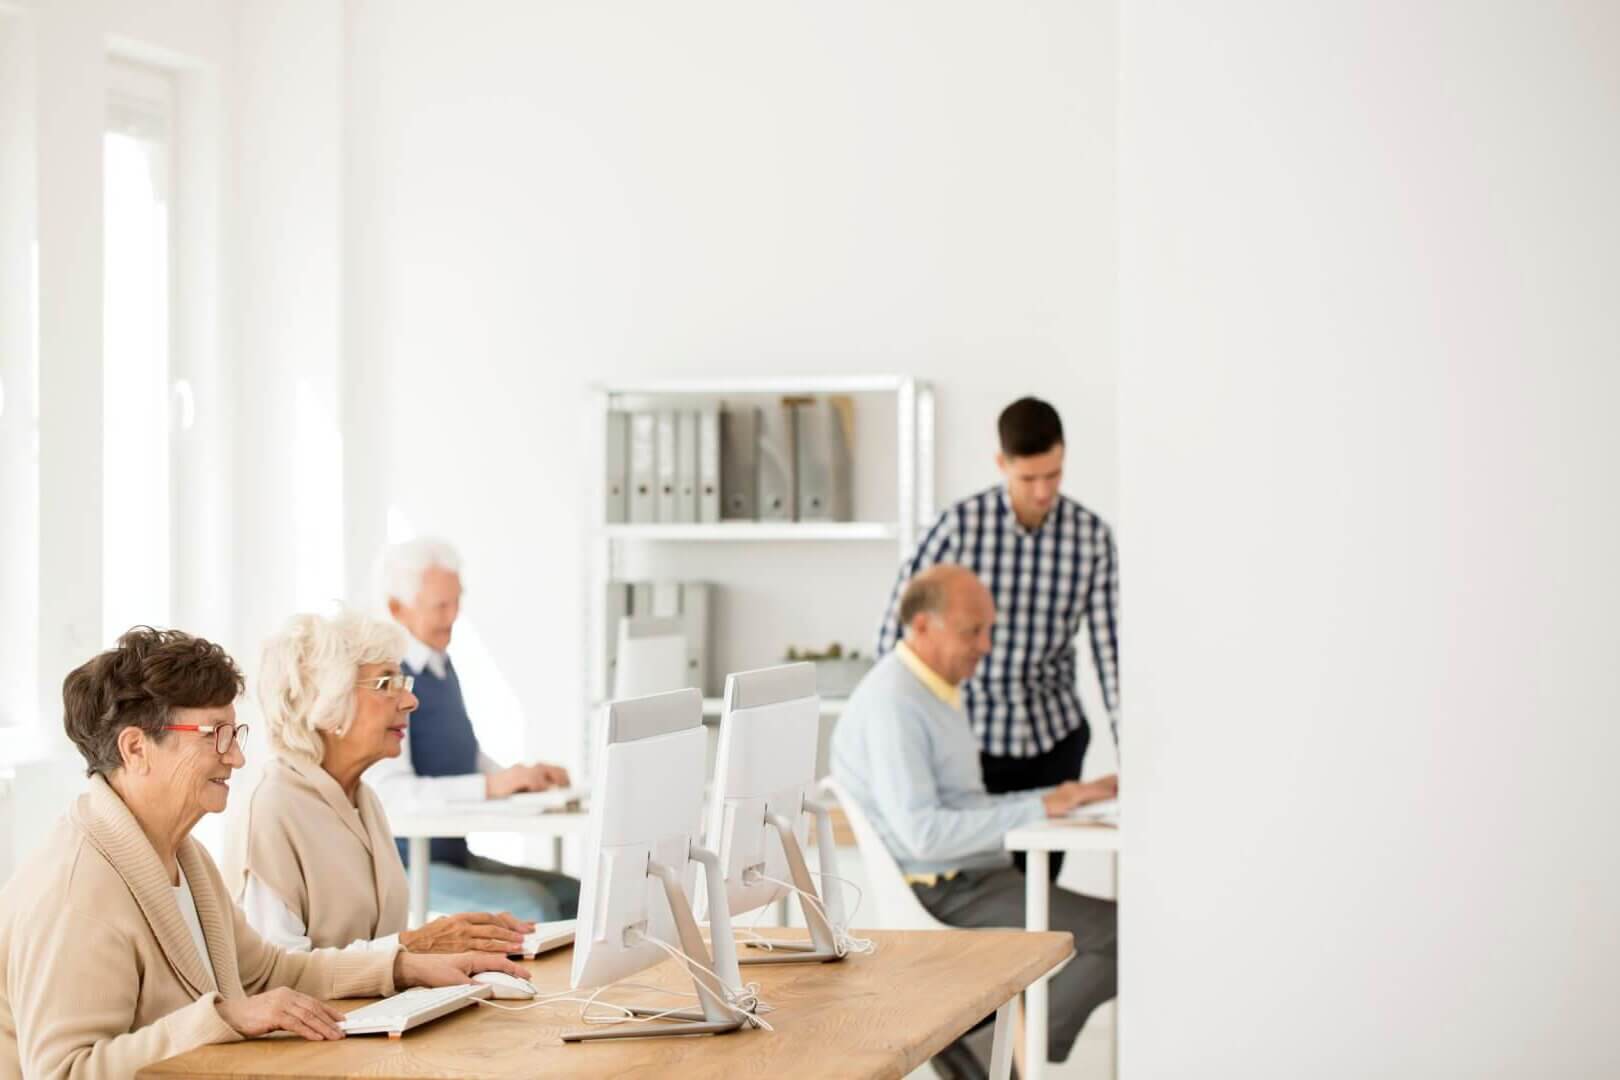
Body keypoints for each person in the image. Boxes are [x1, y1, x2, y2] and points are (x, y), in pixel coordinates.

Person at [0, 627, 527, 1080]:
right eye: (215, 735)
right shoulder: (77, 888)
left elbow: (266, 971)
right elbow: (64, 1071)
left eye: (235, 733)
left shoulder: (183, 855)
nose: (236, 756)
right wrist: (226, 1018)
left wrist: (405, 968)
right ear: (136, 748)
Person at [836, 567, 1117, 1075]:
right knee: (1119, 934)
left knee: (1117, 931)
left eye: (989, 630)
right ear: (923, 626)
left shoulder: (932, 689)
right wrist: (1039, 809)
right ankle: (989, 1054)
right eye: (973, 631)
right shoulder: (894, 704)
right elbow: (925, 836)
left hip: (972, 877)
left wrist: (1058, 796)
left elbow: (962, 807)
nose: (986, 646)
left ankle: (988, 1047)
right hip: (946, 888)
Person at [875, 396, 1119, 877]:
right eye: (1028, 478)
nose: (1043, 491)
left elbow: (1112, 656)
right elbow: (898, 628)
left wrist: (1135, 758)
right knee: (984, 881)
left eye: (1053, 474)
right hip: (975, 739)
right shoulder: (960, 527)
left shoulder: (1091, 537)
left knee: (1039, 889)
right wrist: (894, 725)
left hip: (1055, 738)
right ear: (1001, 464)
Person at [227, 610, 534, 955]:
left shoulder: (364, 800)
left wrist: (459, 944)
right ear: (327, 701)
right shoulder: (273, 807)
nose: (411, 701)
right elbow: (280, 971)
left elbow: (379, 949)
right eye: (386, 684)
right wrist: (418, 946)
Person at [366, 538, 580, 921]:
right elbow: (393, 794)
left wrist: (520, 778)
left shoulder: (441, 666)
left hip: (452, 856)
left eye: (457, 601)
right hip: (408, 864)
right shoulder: (392, 682)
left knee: (573, 894)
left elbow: (464, 754)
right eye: (440, 606)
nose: (453, 616)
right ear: (398, 608)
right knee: (535, 906)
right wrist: (491, 786)